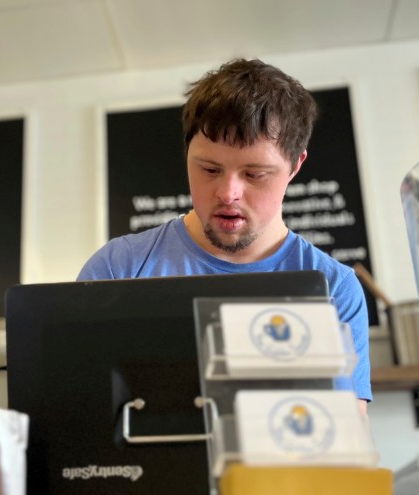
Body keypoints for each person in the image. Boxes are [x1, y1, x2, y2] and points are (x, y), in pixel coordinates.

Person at [78, 58, 371, 413]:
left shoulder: (333, 288)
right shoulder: (118, 268)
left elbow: (345, 444)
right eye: (209, 169)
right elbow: (77, 414)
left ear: (295, 166)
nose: (228, 193)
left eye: (255, 174)